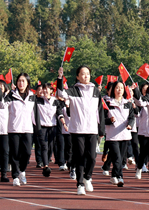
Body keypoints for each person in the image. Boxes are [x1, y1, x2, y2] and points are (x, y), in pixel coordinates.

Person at [57, 65, 105, 195]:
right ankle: (80, 184)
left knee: (92, 157)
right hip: (77, 129)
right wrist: (60, 78)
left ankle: (87, 177)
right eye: (83, 74)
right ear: (77, 76)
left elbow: (100, 111)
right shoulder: (73, 90)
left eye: (88, 74)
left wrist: (101, 129)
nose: (86, 76)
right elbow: (61, 94)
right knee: (80, 157)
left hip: (92, 129)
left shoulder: (95, 91)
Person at [1, 74, 39, 186]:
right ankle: (15, 176)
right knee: (15, 153)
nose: (21, 83)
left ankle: (22, 170)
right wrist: (1, 94)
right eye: (19, 81)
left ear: (27, 83)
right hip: (14, 129)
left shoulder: (32, 96)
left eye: (23, 81)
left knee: (27, 152)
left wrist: (38, 129)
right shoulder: (11, 95)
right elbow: (1, 105)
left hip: (27, 129)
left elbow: (34, 114)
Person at [104, 80, 136, 187]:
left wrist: (130, 125)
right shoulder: (107, 103)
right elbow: (101, 119)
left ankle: (114, 175)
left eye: (121, 88)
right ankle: (119, 176)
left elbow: (132, 117)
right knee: (117, 157)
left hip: (125, 134)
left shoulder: (127, 103)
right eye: (117, 88)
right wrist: (110, 120)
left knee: (122, 158)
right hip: (112, 135)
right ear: (113, 89)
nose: (119, 90)